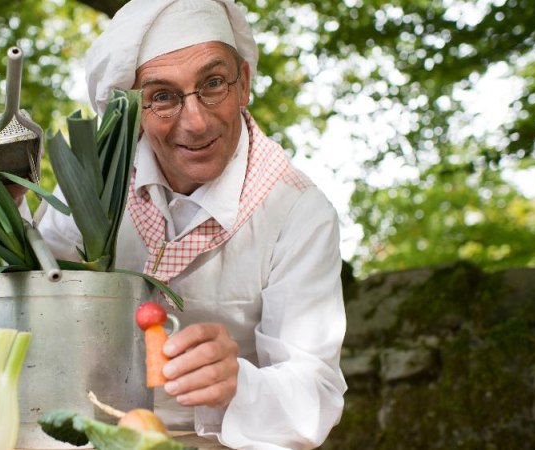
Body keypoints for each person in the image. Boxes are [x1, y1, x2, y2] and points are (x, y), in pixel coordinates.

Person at [35, 0, 347, 448]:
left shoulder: (298, 213)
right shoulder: (93, 188)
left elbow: (315, 396)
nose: (196, 122)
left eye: (213, 84)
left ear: (244, 82)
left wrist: (238, 381)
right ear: (133, 110)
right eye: (162, 96)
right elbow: (35, 301)